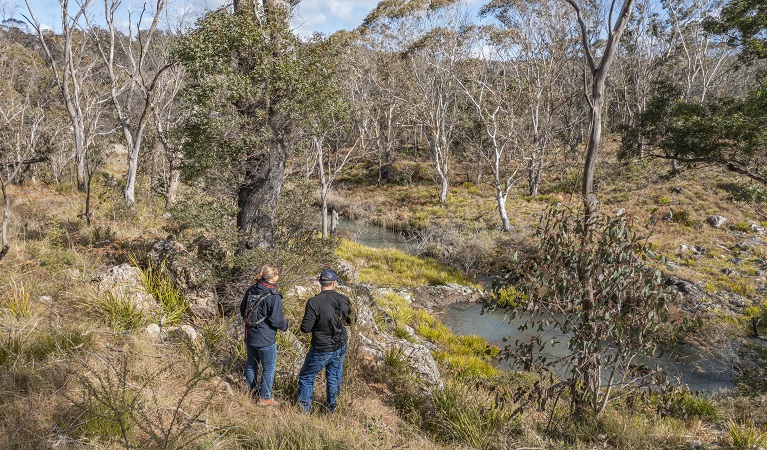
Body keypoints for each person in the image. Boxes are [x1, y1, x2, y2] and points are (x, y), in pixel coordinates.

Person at [296, 269, 352, 413]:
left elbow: (305, 328)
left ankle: (304, 411)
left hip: (322, 347)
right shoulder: (343, 299)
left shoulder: (314, 302)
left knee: (306, 376)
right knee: (333, 377)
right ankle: (332, 409)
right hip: (340, 343)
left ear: (321, 282)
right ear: (334, 283)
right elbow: (350, 320)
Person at [239, 264, 288, 406]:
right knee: (269, 367)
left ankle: (251, 392)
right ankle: (265, 397)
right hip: (266, 338)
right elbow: (277, 320)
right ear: (272, 277)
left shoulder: (251, 290)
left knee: (251, 364)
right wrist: (285, 326)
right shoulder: (274, 296)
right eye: (277, 273)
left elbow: (243, 310)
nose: (278, 276)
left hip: (250, 335)